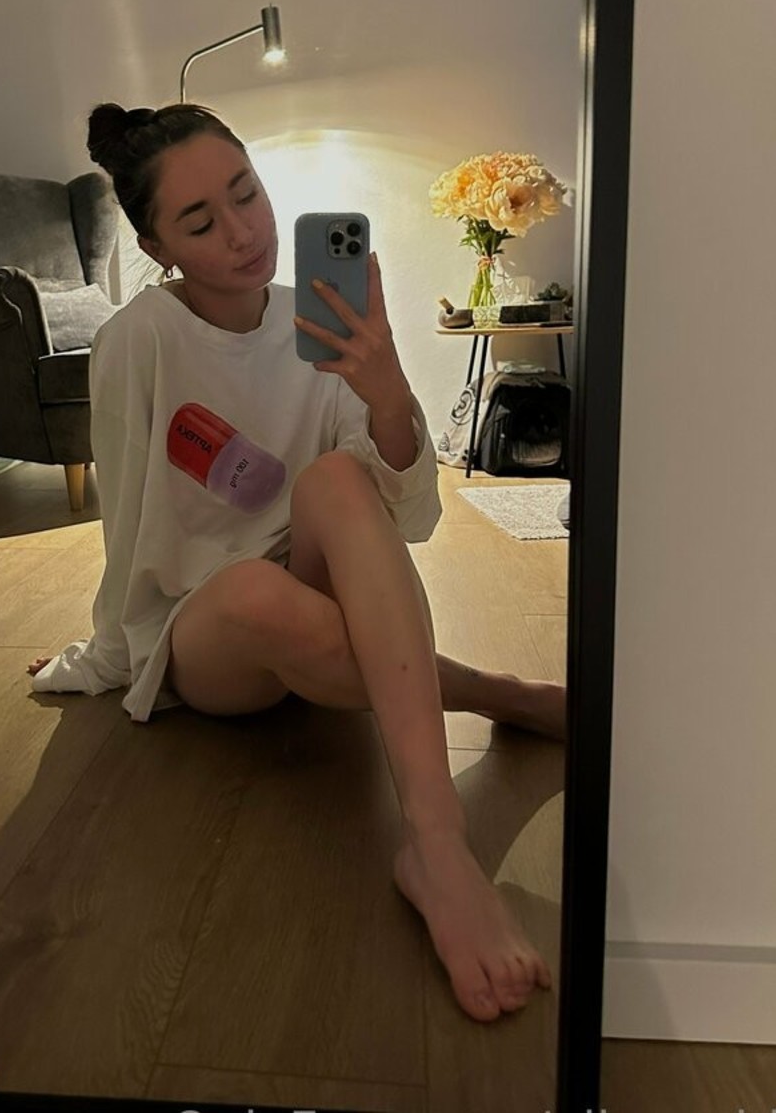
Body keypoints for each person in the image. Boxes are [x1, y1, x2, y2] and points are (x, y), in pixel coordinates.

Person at [29, 101, 566, 1023]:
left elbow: (410, 517)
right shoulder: (137, 339)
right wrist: (100, 657)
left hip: (314, 582)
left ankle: (435, 843)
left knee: (337, 480)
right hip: (212, 629)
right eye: (201, 221)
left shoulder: (317, 319)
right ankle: (489, 691)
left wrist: (388, 388)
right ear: (159, 248)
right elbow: (126, 519)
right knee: (254, 591)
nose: (243, 232)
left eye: (246, 193)